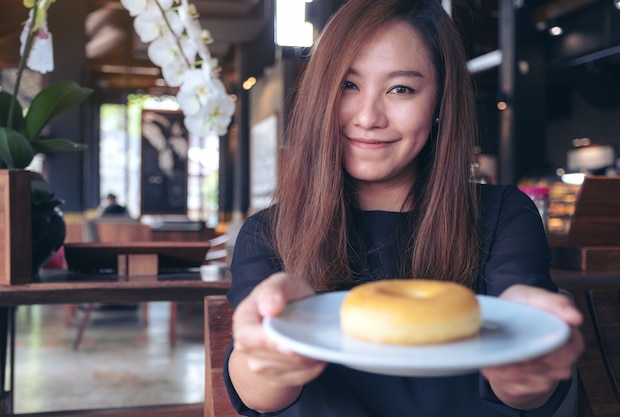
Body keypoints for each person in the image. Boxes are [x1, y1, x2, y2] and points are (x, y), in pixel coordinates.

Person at [225, 0, 584, 416]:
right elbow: (255, 393)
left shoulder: (503, 215)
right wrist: (271, 357)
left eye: (401, 89)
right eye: (348, 84)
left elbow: (525, 385)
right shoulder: (270, 231)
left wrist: (527, 356)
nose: (368, 117)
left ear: (439, 104)